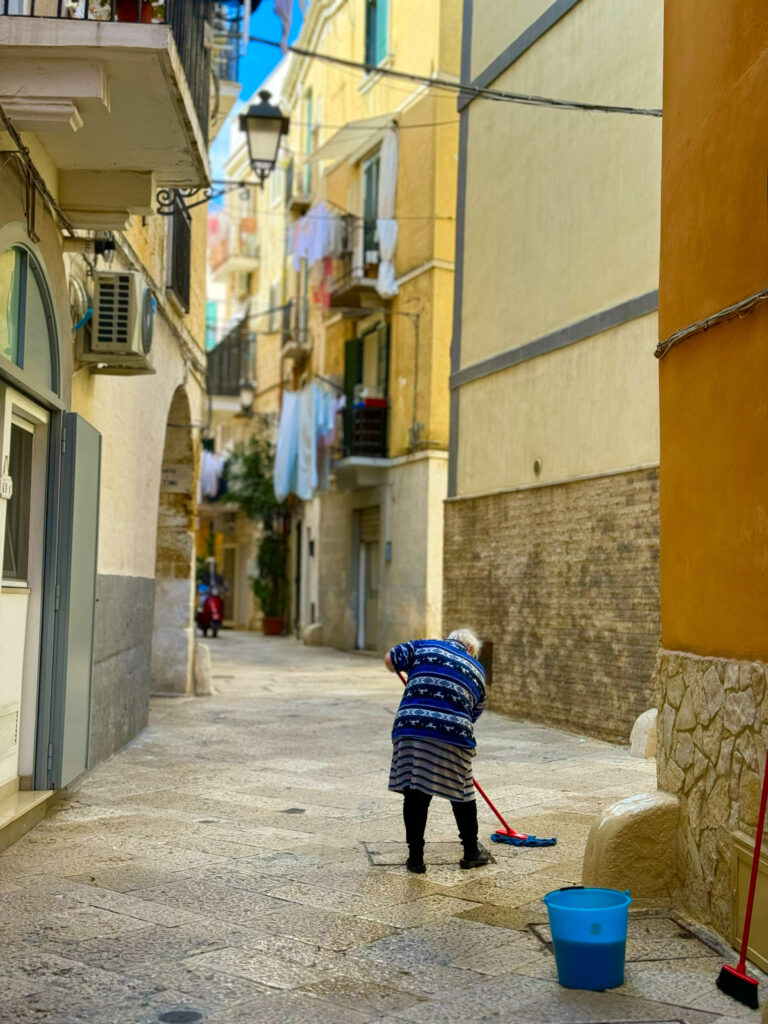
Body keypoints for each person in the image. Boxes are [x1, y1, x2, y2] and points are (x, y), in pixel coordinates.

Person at [385, 629, 490, 874]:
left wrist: (409, 672)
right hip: (454, 733)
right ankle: (471, 852)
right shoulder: (476, 669)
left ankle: (416, 859)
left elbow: (391, 660)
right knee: (462, 791)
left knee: (415, 791)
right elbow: (475, 712)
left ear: (448, 639)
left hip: (411, 728)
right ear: (471, 649)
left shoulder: (424, 646)